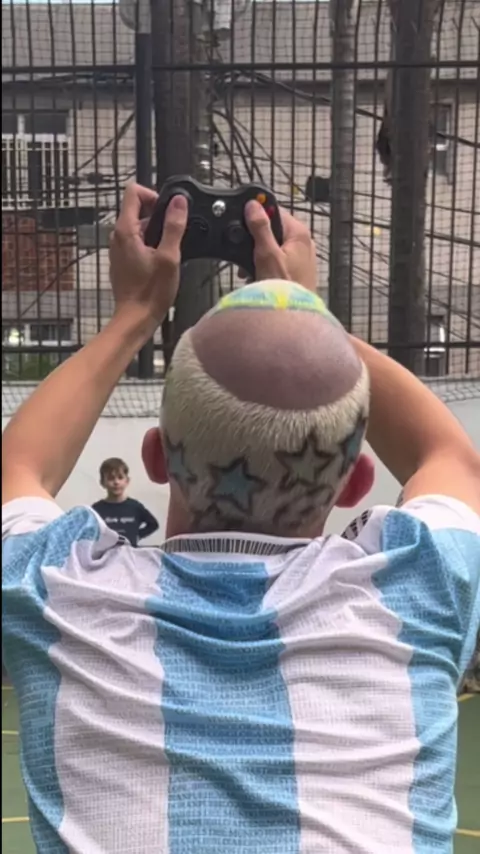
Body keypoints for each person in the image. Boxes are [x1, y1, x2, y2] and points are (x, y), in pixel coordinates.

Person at [2, 183, 479, 854]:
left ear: (155, 458)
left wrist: (136, 313)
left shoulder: (54, 592)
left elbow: (18, 466)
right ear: (357, 484)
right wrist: (304, 309)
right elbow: (452, 459)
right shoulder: (419, 586)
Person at [92, 457, 159, 546]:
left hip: (130, 552)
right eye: (111, 478)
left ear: (127, 481)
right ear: (102, 482)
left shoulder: (135, 507)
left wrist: (138, 535)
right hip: (105, 553)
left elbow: (153, 524)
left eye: (120, 477)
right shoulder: (96, 509)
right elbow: (87, 531)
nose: (116, 482)